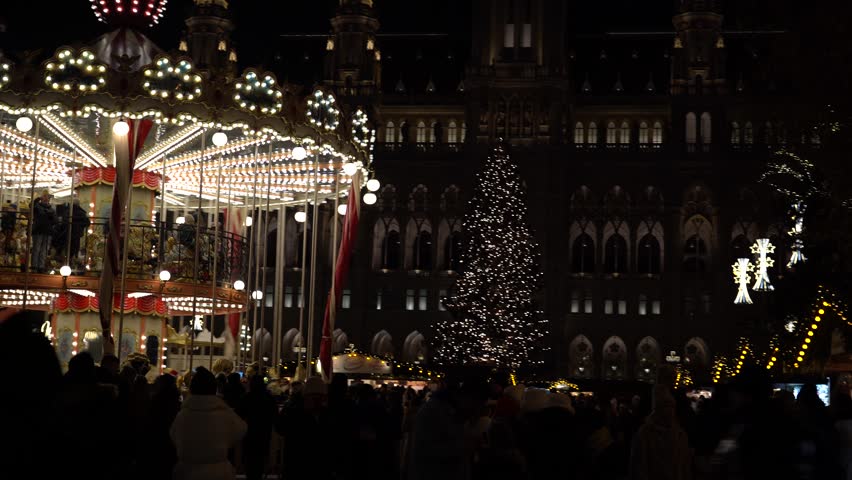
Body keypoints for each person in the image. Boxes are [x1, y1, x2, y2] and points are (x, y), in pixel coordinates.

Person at [170, 366, 246, 480]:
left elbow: (174, 435)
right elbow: (241, 430)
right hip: (218, 471)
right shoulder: (224, 413)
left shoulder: (183, 414)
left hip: (188, 470)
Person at [629, 384, 692, 480]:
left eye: (671, 407)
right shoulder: (645, 434)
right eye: (665, 406)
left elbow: (684, 464)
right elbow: (639, 466)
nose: (669, 411)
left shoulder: (680, 433)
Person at [237, 374, 278, 480]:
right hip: (264, 432)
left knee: (250, 460)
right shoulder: (269, 398)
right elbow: (275, 415)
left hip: (249, 432)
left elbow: (239, 414)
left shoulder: (246, 397)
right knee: (260, 459)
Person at [31, 190, 55, 272]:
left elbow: (55, 220)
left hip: (47, 231)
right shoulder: (37, 206)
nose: (46, 198)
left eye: (47, 197)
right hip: (38, 230)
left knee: (44, 250)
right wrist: (38, 198)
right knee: (37, 249)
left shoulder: (51, 209)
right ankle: (34, 266)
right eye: (45, 196)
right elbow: (31, 205)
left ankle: (41, 266)